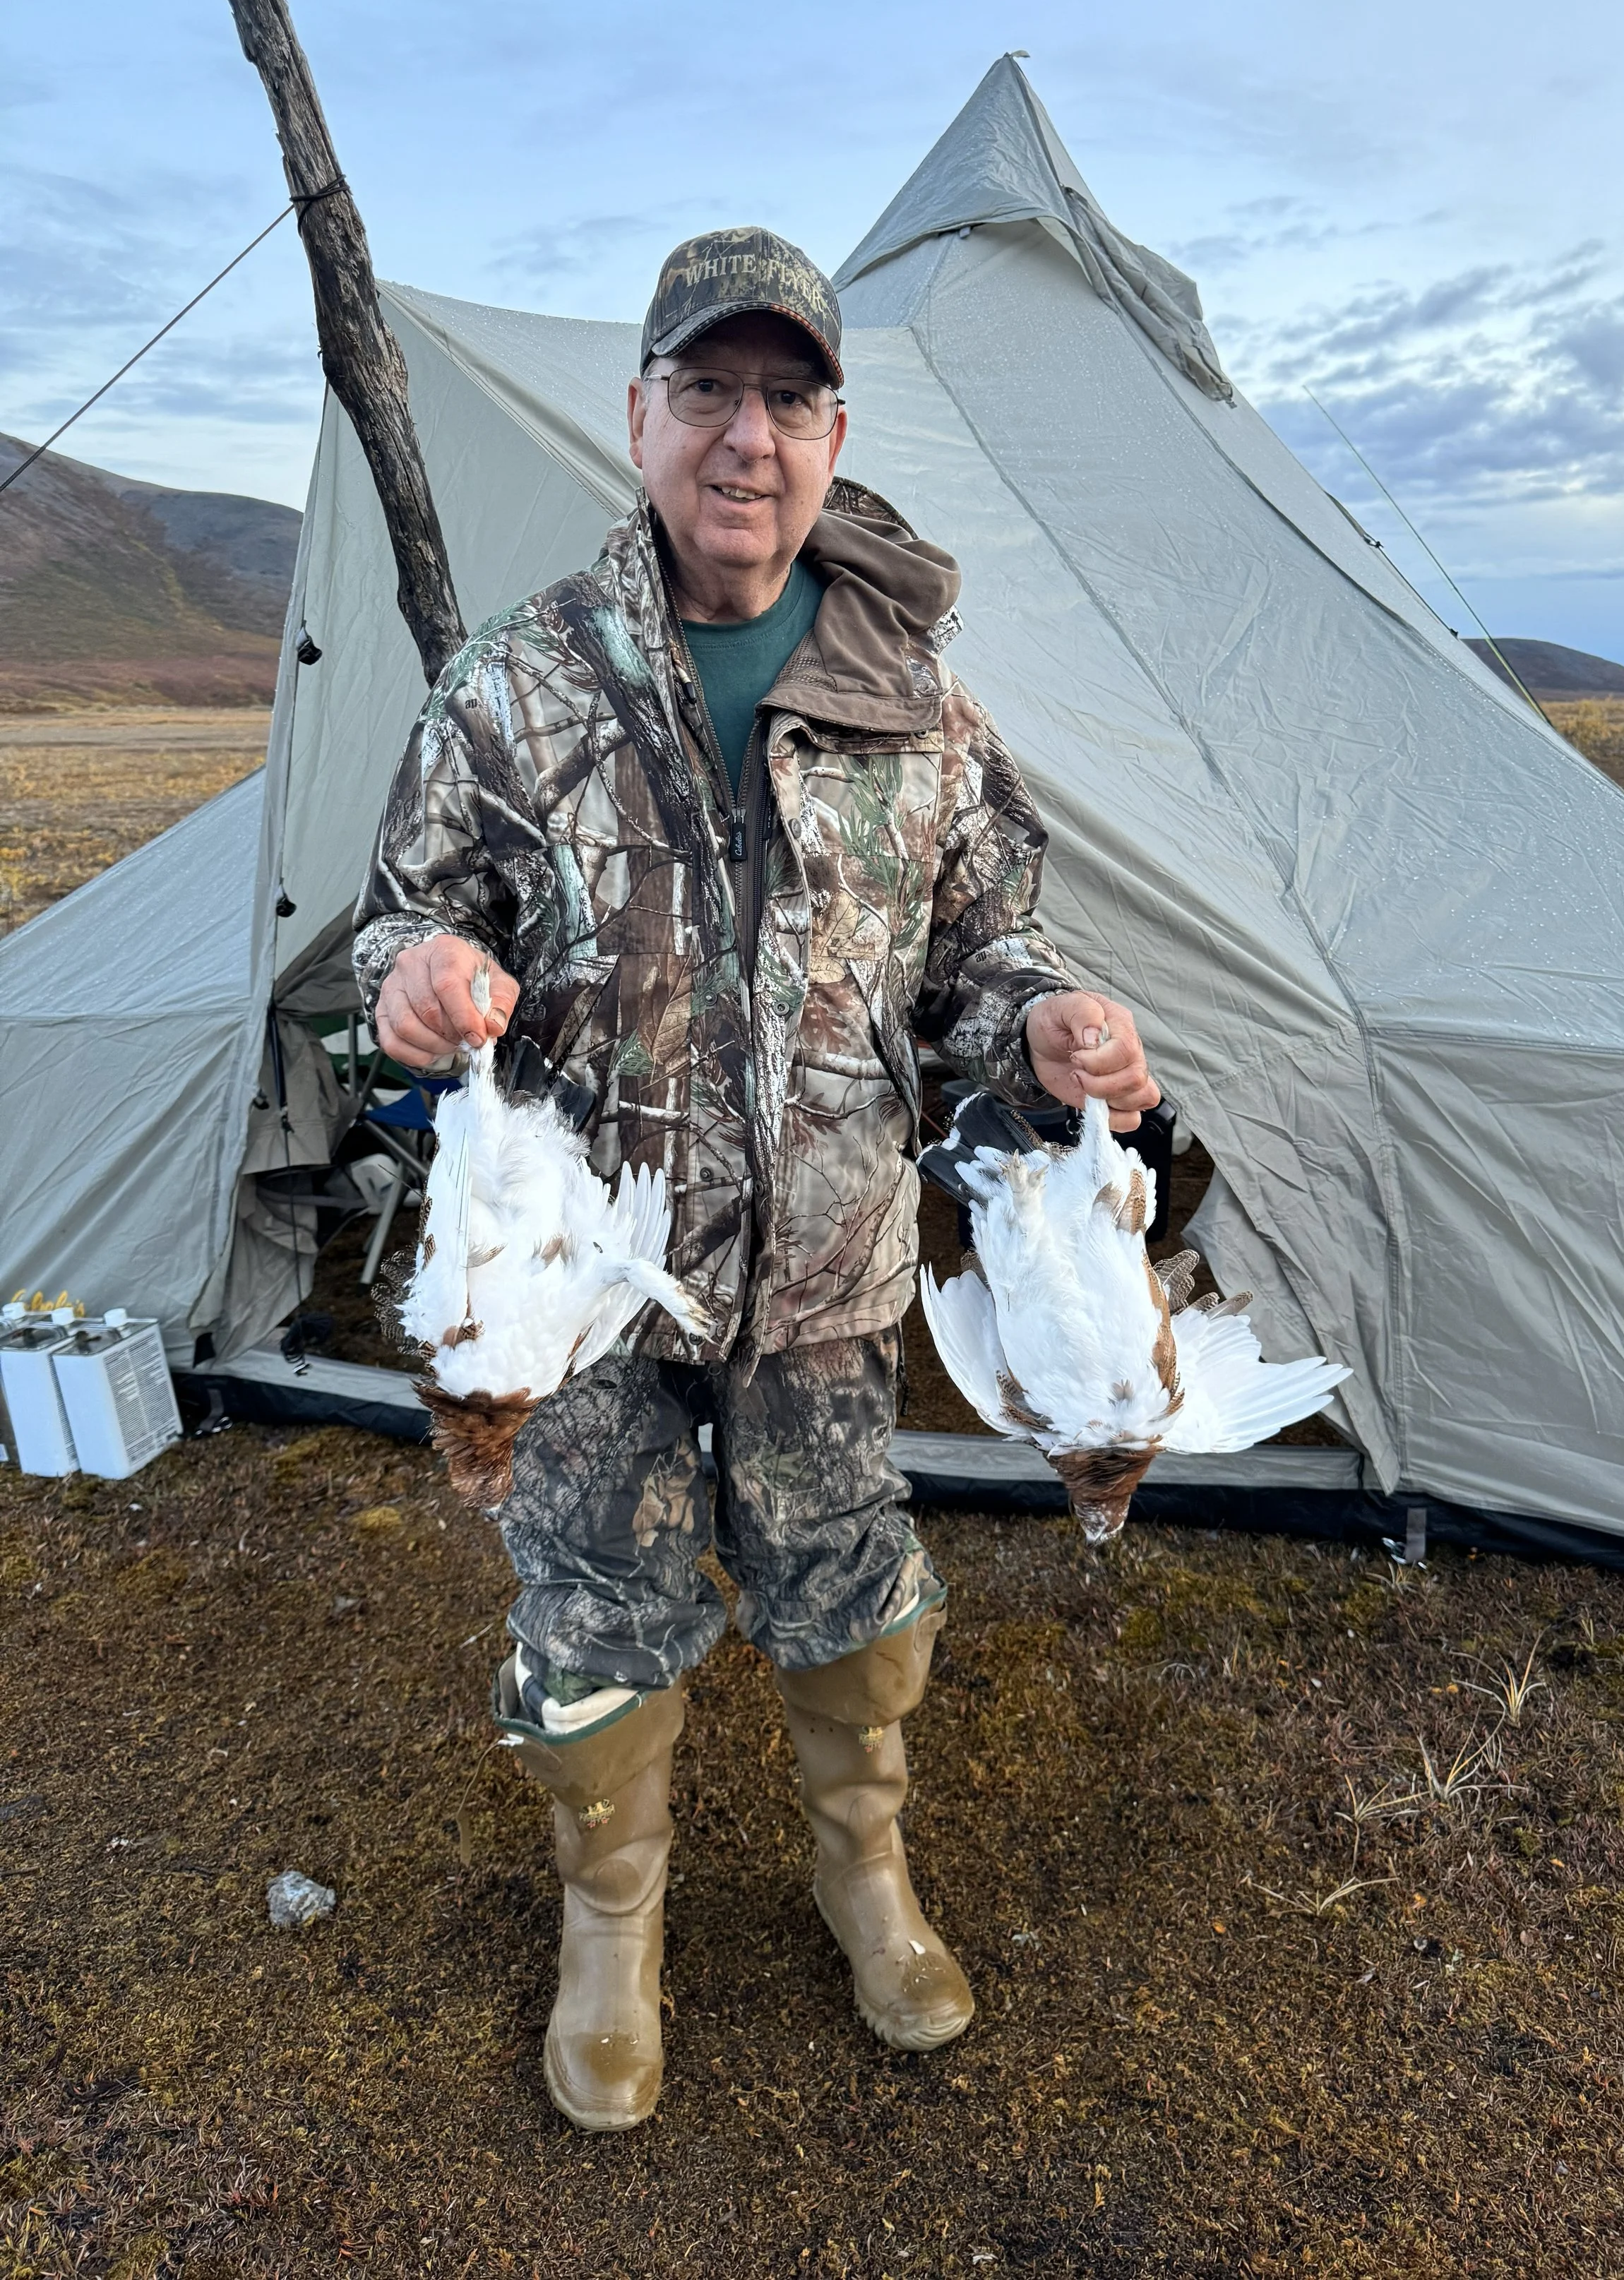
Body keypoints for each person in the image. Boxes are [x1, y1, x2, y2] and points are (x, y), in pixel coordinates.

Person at [354, 228, 1159, 2132]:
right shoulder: (513, 687)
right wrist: (402, 983)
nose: (747, 437)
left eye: (786, 399)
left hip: (825, 1277)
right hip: (589, 1291)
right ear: (635, 421)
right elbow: (396, 925)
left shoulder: (922, 708)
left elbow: (992, 957)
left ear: (834, 432)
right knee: (588, 1612)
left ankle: (858, 1866)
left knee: (852, 1596)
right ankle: (610, 1921)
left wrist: (1053, 1031)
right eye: (706, 393)